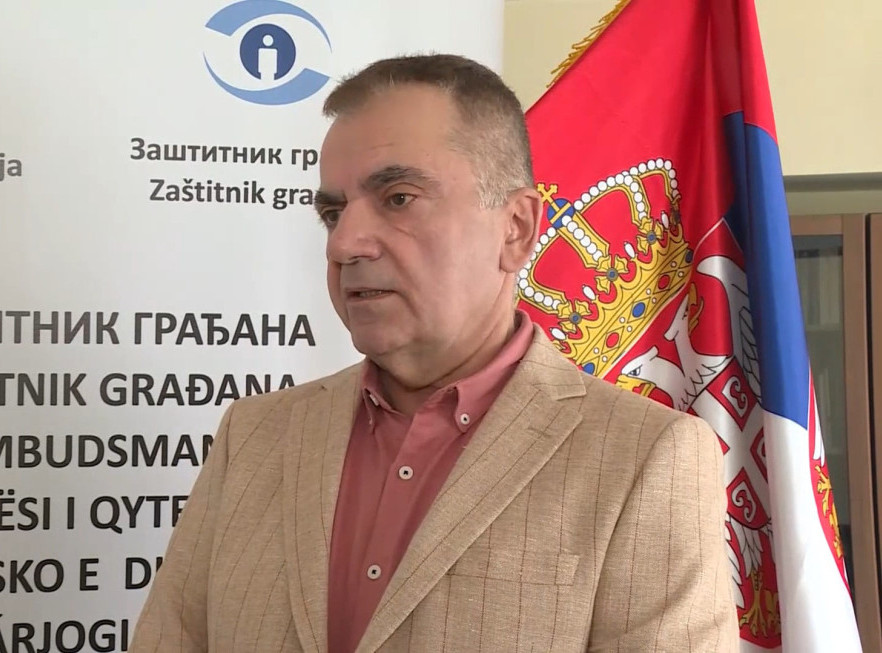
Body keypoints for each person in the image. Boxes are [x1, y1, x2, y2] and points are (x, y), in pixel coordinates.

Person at [130, 54, 739, 652]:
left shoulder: (646, 456)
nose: (344, 243)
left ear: (517, 228)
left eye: (398, 198)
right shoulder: (254, 435)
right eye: (333, 213)